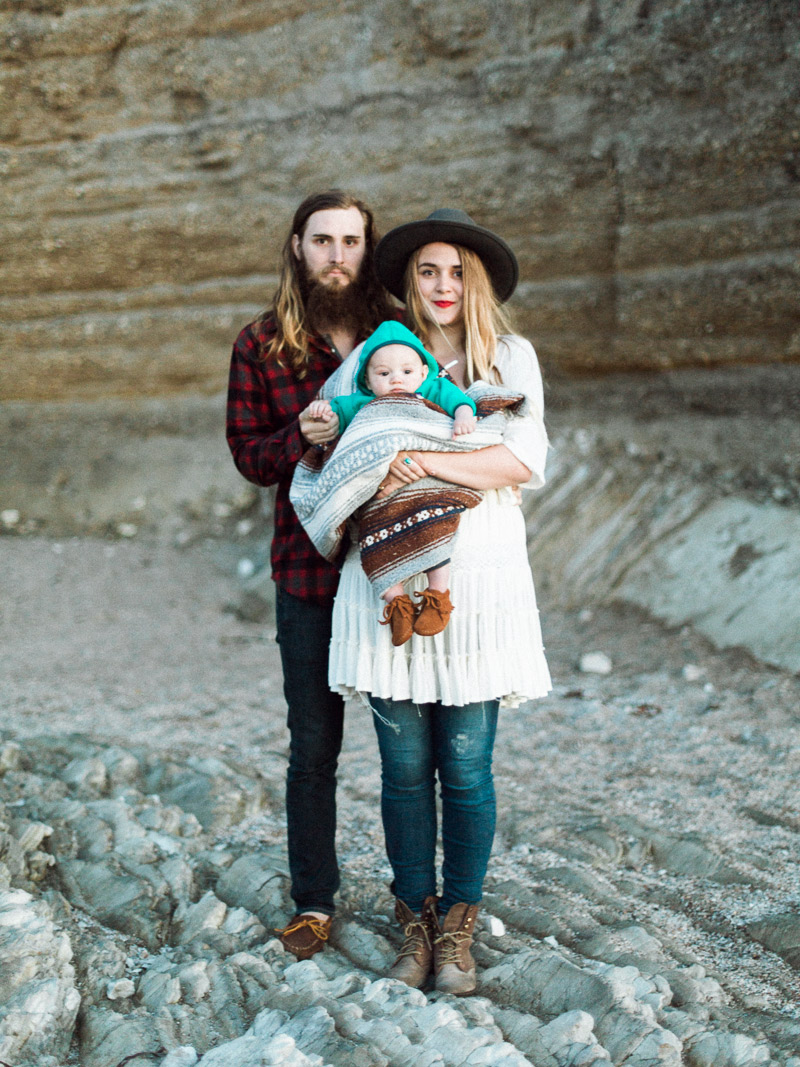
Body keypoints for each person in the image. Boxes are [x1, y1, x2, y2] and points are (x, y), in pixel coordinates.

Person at [327, 208, 552, 994]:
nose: (443, 285)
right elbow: (333, 439)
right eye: (428, 271)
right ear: (410, 283)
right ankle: (413, 917)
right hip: (386, 579)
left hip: (477, 589)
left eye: (457, 271)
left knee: (465, 766)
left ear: (477, 281)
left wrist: (415, 455)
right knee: (401, 767)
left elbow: (520, 461)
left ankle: (459, 920)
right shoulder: (376, 356)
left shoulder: (508, 356)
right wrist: (333, 430)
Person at [225, 190, 395, 960]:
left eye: (351, 240)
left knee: (408, 748)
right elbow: (248, 457)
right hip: (307, 575)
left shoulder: (399, 334)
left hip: (394, 570)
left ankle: (418, 898)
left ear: (368, 247)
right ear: (296, 247)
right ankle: (315, 901)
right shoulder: (259, 345)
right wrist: (298, 435)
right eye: (321, 240)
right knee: (313, 749)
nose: (337, 255)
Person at [306, 319, 478, 644]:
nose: (396, 378)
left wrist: (464, 416)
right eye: (384, 374)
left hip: (423, 486)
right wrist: (321, 409)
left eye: (407, 371)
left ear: (424, 373)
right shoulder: (363, 403)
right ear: (368, 381)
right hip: (380, 494)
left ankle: (438, 597)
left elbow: (461, 402)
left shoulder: (435, 390)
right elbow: (334, 410)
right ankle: (396, 603)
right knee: (373, 541)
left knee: (436, 525)